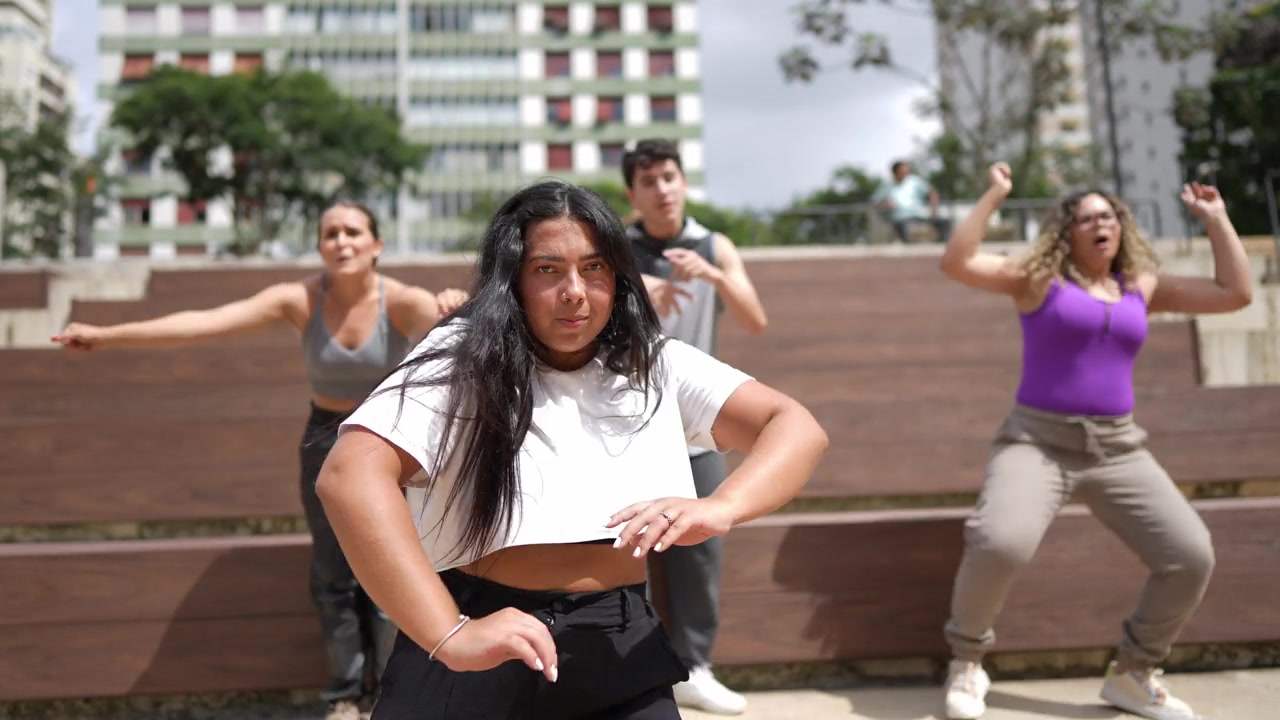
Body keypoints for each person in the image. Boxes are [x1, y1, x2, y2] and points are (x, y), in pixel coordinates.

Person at [313, 180, 828, 719]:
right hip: (481, 634)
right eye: (547, 269)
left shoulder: (654, 362)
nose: (575, 291)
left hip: (619, 640)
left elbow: (794, 426)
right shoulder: (460, 357)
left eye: (594, 267)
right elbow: (349, 476)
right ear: (511, 279)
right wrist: (450, 633)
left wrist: (721, 506)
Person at [51, 201, 470, 720]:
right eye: (330, 234)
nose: (341, 242)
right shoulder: (298, 299)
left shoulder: (402, 302)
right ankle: (345, 696)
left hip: (385, 445)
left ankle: (389, 695)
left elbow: (471, 329)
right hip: (325, 441)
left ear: (376, 245)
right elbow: (206, 323)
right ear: (320, 247)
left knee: (390, 566)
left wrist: (456, 304)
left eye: (353, 232)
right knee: (332, 572)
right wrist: (106, 336)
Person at [937, 163, 1252, 720]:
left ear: (1120, 226)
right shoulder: (1039, 281)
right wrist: (994, 194)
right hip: (1037, 442)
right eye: (1086, 219)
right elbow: (957, 262)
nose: (1100, 224)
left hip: (1118, 448)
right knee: (999, 541)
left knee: (1189, 556)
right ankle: (967, 661)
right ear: (1067, 232)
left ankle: (1134, 674)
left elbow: (1235, 294)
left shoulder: (1140, 287)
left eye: (1108, 216)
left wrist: (1217, 219)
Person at [620, 139, 768, 715]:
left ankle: (694, 668)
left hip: (694, 426)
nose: (663, 189)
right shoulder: (615, 246)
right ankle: (628, 672)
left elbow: (755, 320)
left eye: (670, 177)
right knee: (622, 550)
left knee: (700, 551)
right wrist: (640, 286)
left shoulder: (714, 244)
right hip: (624, 424)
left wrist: (715, 276)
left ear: (684, 182)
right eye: (649, 181)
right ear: (632, 194)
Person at [872, 160, 952, 243]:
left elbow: (932, 192)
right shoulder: (886, 185)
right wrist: (884, 204)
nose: (906, 173)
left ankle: (943, 245)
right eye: (902, 171)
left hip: (919, 214)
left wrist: (933, 208)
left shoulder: (914, 181)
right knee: (904, 229)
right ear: (895, 172)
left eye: (907, 171)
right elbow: (874, 201)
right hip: (901, 217)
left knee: (944, 222)